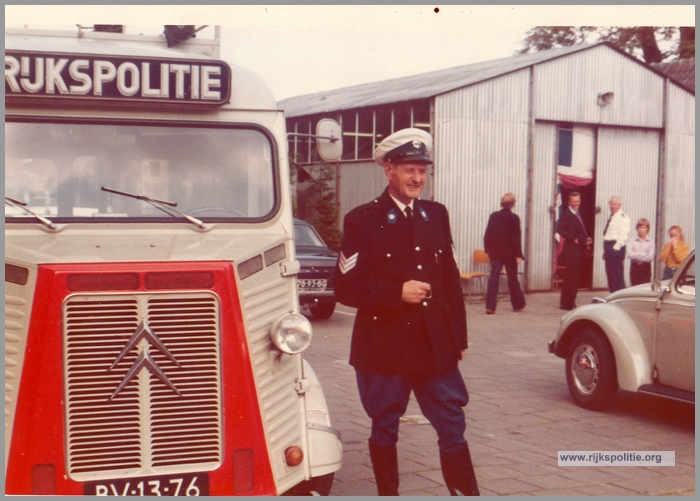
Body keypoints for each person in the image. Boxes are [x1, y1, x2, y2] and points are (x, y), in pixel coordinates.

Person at [334, 128, 479, 496]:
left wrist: (459, 339)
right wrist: (395, 293)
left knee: (452, 422)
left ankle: (465, 494)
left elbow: (448, 282)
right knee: (385, 425)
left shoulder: (436, 214)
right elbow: (345, 287)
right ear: (388, 170)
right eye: (408, 170)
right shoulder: (363, 219)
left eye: (422, 171)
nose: (417, 178)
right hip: (384, 347)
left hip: (434, 345)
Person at [483, 193, 526, 314]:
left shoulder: (494, 216)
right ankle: (518, 304)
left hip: (496, 254)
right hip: (510, 254)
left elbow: (487, 234)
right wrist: (519, 255)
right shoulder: (514, 218)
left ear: (502, 203)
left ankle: (490, 307)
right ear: (512, 204)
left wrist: (489, 250)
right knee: (512, 278)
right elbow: (516, 238)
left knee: (494, 277)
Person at [557, 192, 591, 310]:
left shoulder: (578, 213)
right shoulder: (566, 214)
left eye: (578, 201)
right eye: (573, 202)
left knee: (574, 277)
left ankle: (568, 301)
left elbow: (580, 229)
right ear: (569, 202)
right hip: (572, 250)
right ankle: (567, 303)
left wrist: (586, 238)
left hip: (579, 248)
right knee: (571, 277)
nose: (576, 204)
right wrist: (574, 238)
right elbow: (560, 229)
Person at [602, 196, 631, 292]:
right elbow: (608, 234)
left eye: (614, 204)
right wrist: (606, 251)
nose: (612, 206)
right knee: (610, 275)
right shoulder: (613, 216)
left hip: (616, 249)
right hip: (609, 248)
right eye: (611, 204)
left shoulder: (623, 217)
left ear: (620, 205)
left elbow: (624, 235)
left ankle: (619, 298)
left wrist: (615, 248)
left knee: (617, 276)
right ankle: (613, 295)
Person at [627, 218, 655, 285]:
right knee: (635, 288)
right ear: (637, 228)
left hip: (646, 268)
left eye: (644, 228)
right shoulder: (631, 241)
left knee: (644, 289)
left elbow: (650, 257)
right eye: (640, 227)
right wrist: (645, 254)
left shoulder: (651, 242)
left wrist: (635, 254)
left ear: (647, 229)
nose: (642, 230)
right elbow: (630, 255)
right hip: (634, 268)